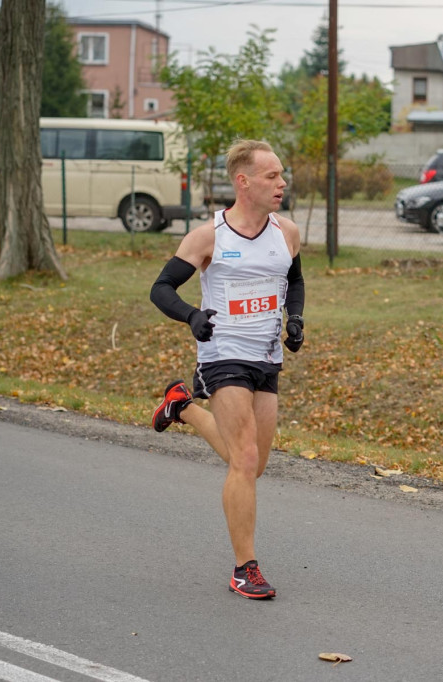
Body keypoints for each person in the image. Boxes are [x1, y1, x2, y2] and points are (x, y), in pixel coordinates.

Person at [148, 139, 304, 600]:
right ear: (244, 181)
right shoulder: (209, 236)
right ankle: (244, 568)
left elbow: (294, 281)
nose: (281, 183)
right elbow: (161, 289)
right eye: (272, 176)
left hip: (266, 357)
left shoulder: (287, 232)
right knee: (246, 459)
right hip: (223, 353)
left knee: (253, 465)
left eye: (281, 175)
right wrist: (193, 317)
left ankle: (183, 407)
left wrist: (294, 320)